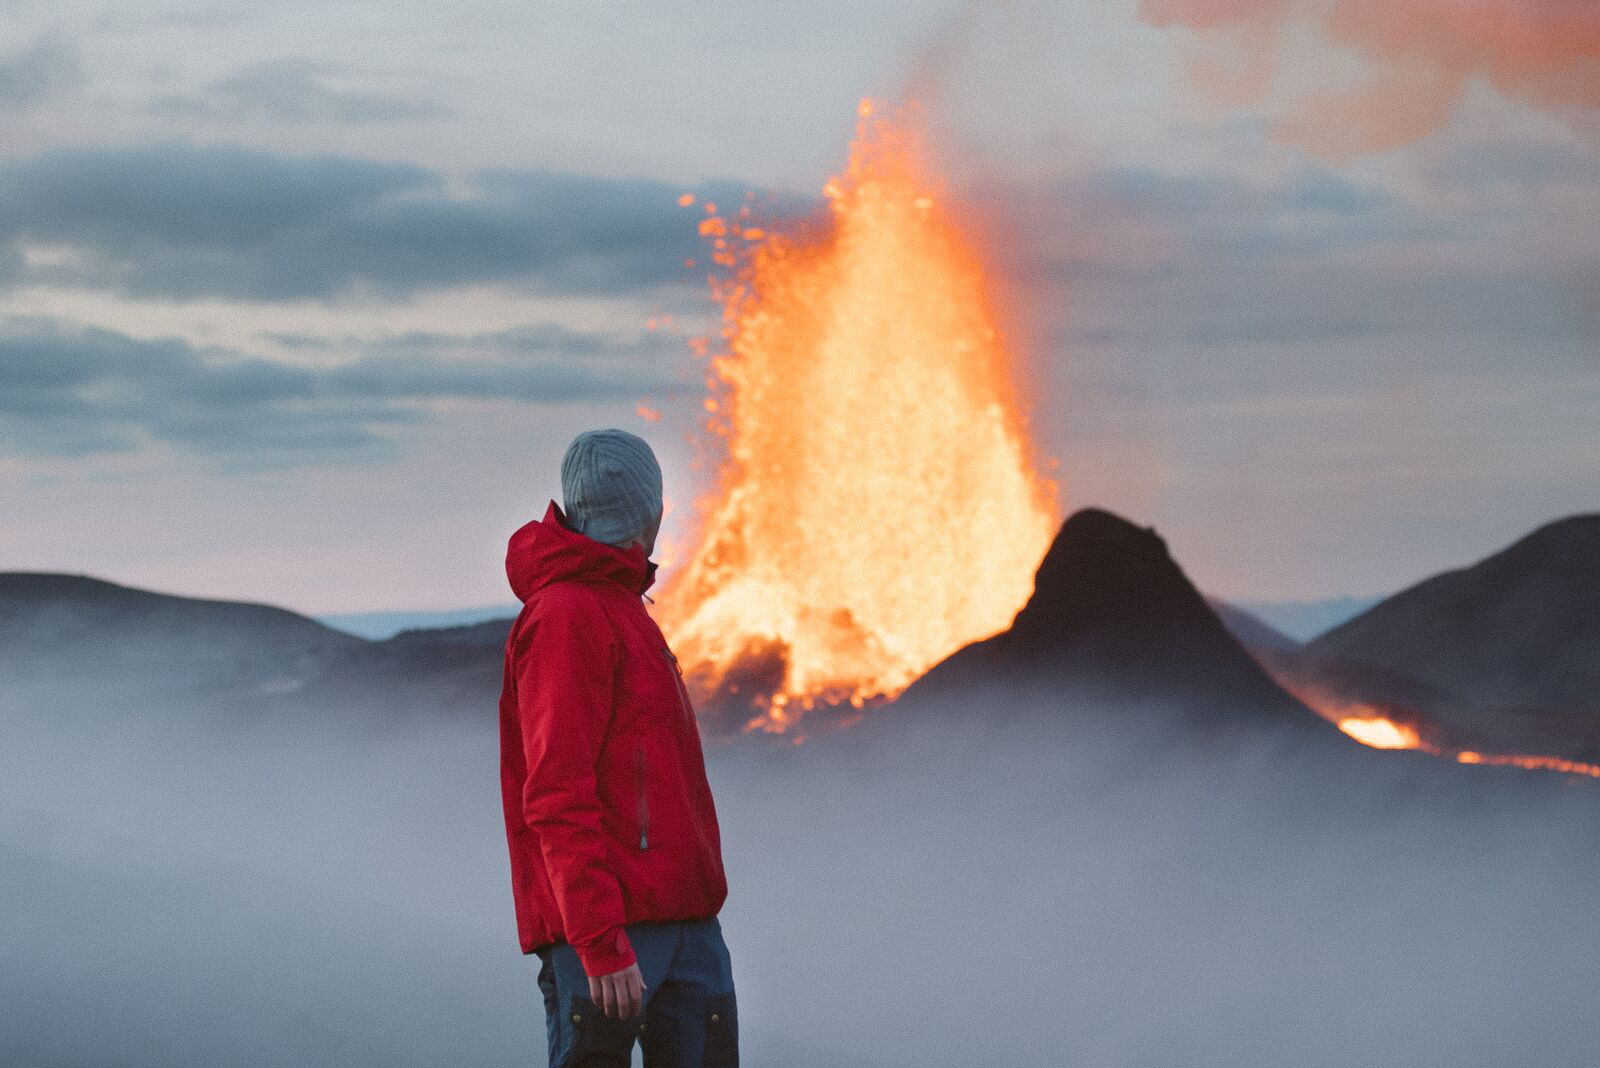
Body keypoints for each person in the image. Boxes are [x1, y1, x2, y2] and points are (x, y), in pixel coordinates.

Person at [498, 428, 737, 1067]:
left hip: (683, 927)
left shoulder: (622, 606)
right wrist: (601, 942)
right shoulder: (569, 616)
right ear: (650, 513)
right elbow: (555, 794)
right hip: (613, 945)